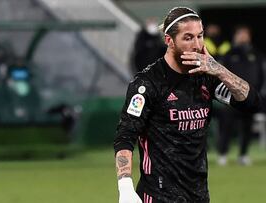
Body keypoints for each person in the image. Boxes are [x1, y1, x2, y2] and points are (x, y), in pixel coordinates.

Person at [113, 7, 264, 203]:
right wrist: (125, 187)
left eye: (200, 36)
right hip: (158, 195)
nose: (197, 44)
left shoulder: (205, 76)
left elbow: (252, 103)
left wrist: (219, 70)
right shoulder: (148, 83)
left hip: (198, 195)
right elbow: (125, 136)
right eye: (188, 38)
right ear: (169, 41)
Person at [216, 25, 265, 166]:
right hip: (230, 98)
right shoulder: (229, 53)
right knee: (227, 127)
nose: (243, 37)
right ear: (235, 36)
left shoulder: (256, 53)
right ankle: (223, 154)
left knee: (247, 127)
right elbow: (220, 74)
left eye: (246, 34)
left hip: (249, 97)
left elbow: (261, 75)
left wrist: (258, 93)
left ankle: (243, 155)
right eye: (240, 34)